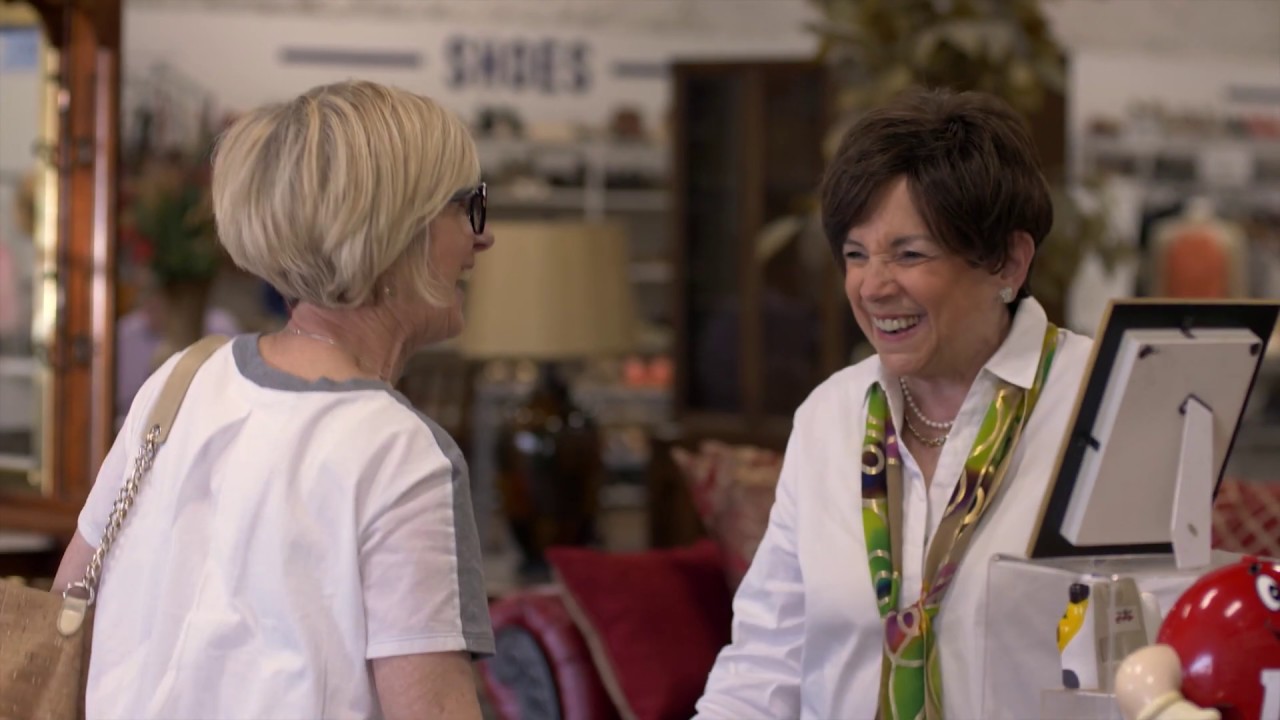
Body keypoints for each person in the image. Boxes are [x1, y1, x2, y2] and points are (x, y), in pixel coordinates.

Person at [53, 80, 496, 720]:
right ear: (403, 227)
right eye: (469, 206)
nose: (483, 239)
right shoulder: (404, 457)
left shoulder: (183, 380)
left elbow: (72, 600)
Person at [694, 87, 1094, 720]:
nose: (873, 287)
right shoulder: (831, 415)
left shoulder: (1100, 402)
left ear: (1008, 262)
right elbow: (766, 662)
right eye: (856, 255)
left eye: (909, 254)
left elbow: (1160, 656)